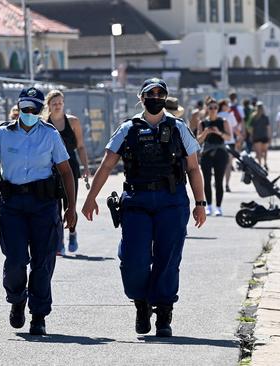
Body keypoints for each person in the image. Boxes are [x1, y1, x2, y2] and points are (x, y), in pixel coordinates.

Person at [82, 78, 206, 338]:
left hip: (171, 201)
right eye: (151, 93)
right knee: (132, 259)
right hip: (137, 201)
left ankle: (163, 314)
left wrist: (200, 203)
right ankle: (141, 304)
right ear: (141, 98)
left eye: (161, 93)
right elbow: (106, 165)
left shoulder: (178, 127)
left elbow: (194, 168)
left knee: (168, 259)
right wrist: (91, 197)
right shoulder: (127, 128)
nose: (157, 97)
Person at [0, 87, 77, 336]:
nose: (29, 113)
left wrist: (72, 208)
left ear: (40, 109)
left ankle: (39, 315)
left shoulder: (50, 135)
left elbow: (65, 172)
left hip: (44, 205)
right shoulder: (3, 134)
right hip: (13, 206)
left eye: (34, 109)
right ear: (19, 108)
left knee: (43, 262)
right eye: (25, 109)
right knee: (15, 260)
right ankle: (17, 299)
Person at [44, 90, 90, 254]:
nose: (57, 106)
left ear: (64, 104)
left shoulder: (73, 122)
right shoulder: (44, 123)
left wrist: (85, 167)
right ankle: (59, 242)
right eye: (54, 103)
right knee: (54, 207)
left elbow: (81, 146)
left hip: (70, 167)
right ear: (48, 105)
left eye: (60, 103)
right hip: (50, 170)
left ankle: (72, 232)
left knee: (69, 204)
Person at [197, 97, 232, 216]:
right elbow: (198, 141)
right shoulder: (202, 123)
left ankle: (218, 207)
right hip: (206, 153)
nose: (213, 109)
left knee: (218, 181)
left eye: (215, 107)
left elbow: (229, 137)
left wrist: (218, 132)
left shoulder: (223, 121)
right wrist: (205, 132)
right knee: (206, 181)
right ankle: (209, 206)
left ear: (218, 109)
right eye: (210, 107)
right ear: (207, 108)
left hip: (220, 153)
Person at [218, 99, 239, 192]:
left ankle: (218, 182)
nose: (229, 107)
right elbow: (235, 128)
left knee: (219, 164)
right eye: (227, 105)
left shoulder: (216, 115)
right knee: (228, 165)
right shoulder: (230, 115)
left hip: (219, 142)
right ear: (224, 106)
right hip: (230, 142)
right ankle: (227, 185)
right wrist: (241, 136)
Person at [251, 101, 272, 169]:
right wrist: (269, 136)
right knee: (265, 151)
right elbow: (268, 128)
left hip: (257, 136)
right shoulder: (265, 117)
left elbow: (252, 128)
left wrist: (251, 136)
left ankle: (260, 164)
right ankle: (265, 163)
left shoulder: (254, 117)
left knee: (259, 152)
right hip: (264, 136)